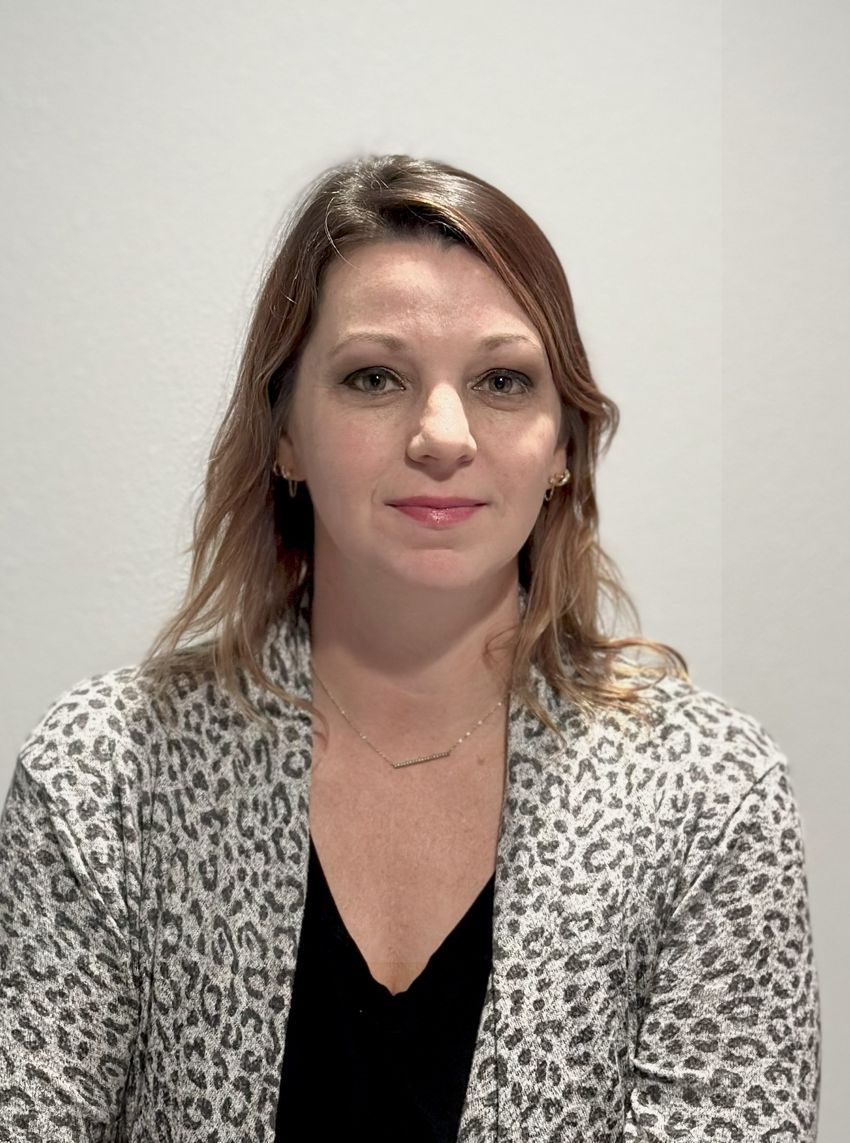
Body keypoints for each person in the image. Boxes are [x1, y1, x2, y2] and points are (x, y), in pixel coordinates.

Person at [0, 154, 821, 1142]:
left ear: (563, 444)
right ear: (285, 435)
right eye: (374, 378)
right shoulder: (107, 771)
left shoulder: (706, 796)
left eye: (503, 380)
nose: (442, 434)